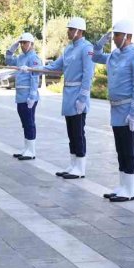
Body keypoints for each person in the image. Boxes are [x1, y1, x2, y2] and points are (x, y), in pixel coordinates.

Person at [93, 19, 134, 202]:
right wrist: (101, 42)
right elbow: (95, 56)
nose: (114, 38)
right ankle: (122, 185)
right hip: (116, 109)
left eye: (117, 35)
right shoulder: (114, 55)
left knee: (130, 149)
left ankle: (129, 189)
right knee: (120, 149)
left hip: (128, 109)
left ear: (128, 36)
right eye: (113, 35)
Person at [41, 17, 95, 180]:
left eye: (71, 29)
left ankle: (80, 167)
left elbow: (88, 74)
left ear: (79, 31)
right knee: (71, 132)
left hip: (78, 94)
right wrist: (33, 69)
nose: (68, 32)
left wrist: (83, 98)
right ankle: (73, 165)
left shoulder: (87, 48)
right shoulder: (69, 49)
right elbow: (55, 66)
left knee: (78, 132)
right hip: (68, 94)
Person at [5, 33, 41, 160]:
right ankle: (26, 148)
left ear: (31, 44)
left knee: (29, 123)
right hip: (20, 95)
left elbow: (35, 78)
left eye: (24, 43)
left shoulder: (34, 58)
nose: (22, 45)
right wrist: (12, 48)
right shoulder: (20, 58)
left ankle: (31, 151)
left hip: (28, 96)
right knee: (25, 123)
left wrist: (32, 96)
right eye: (21, 43)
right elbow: (8, 61)